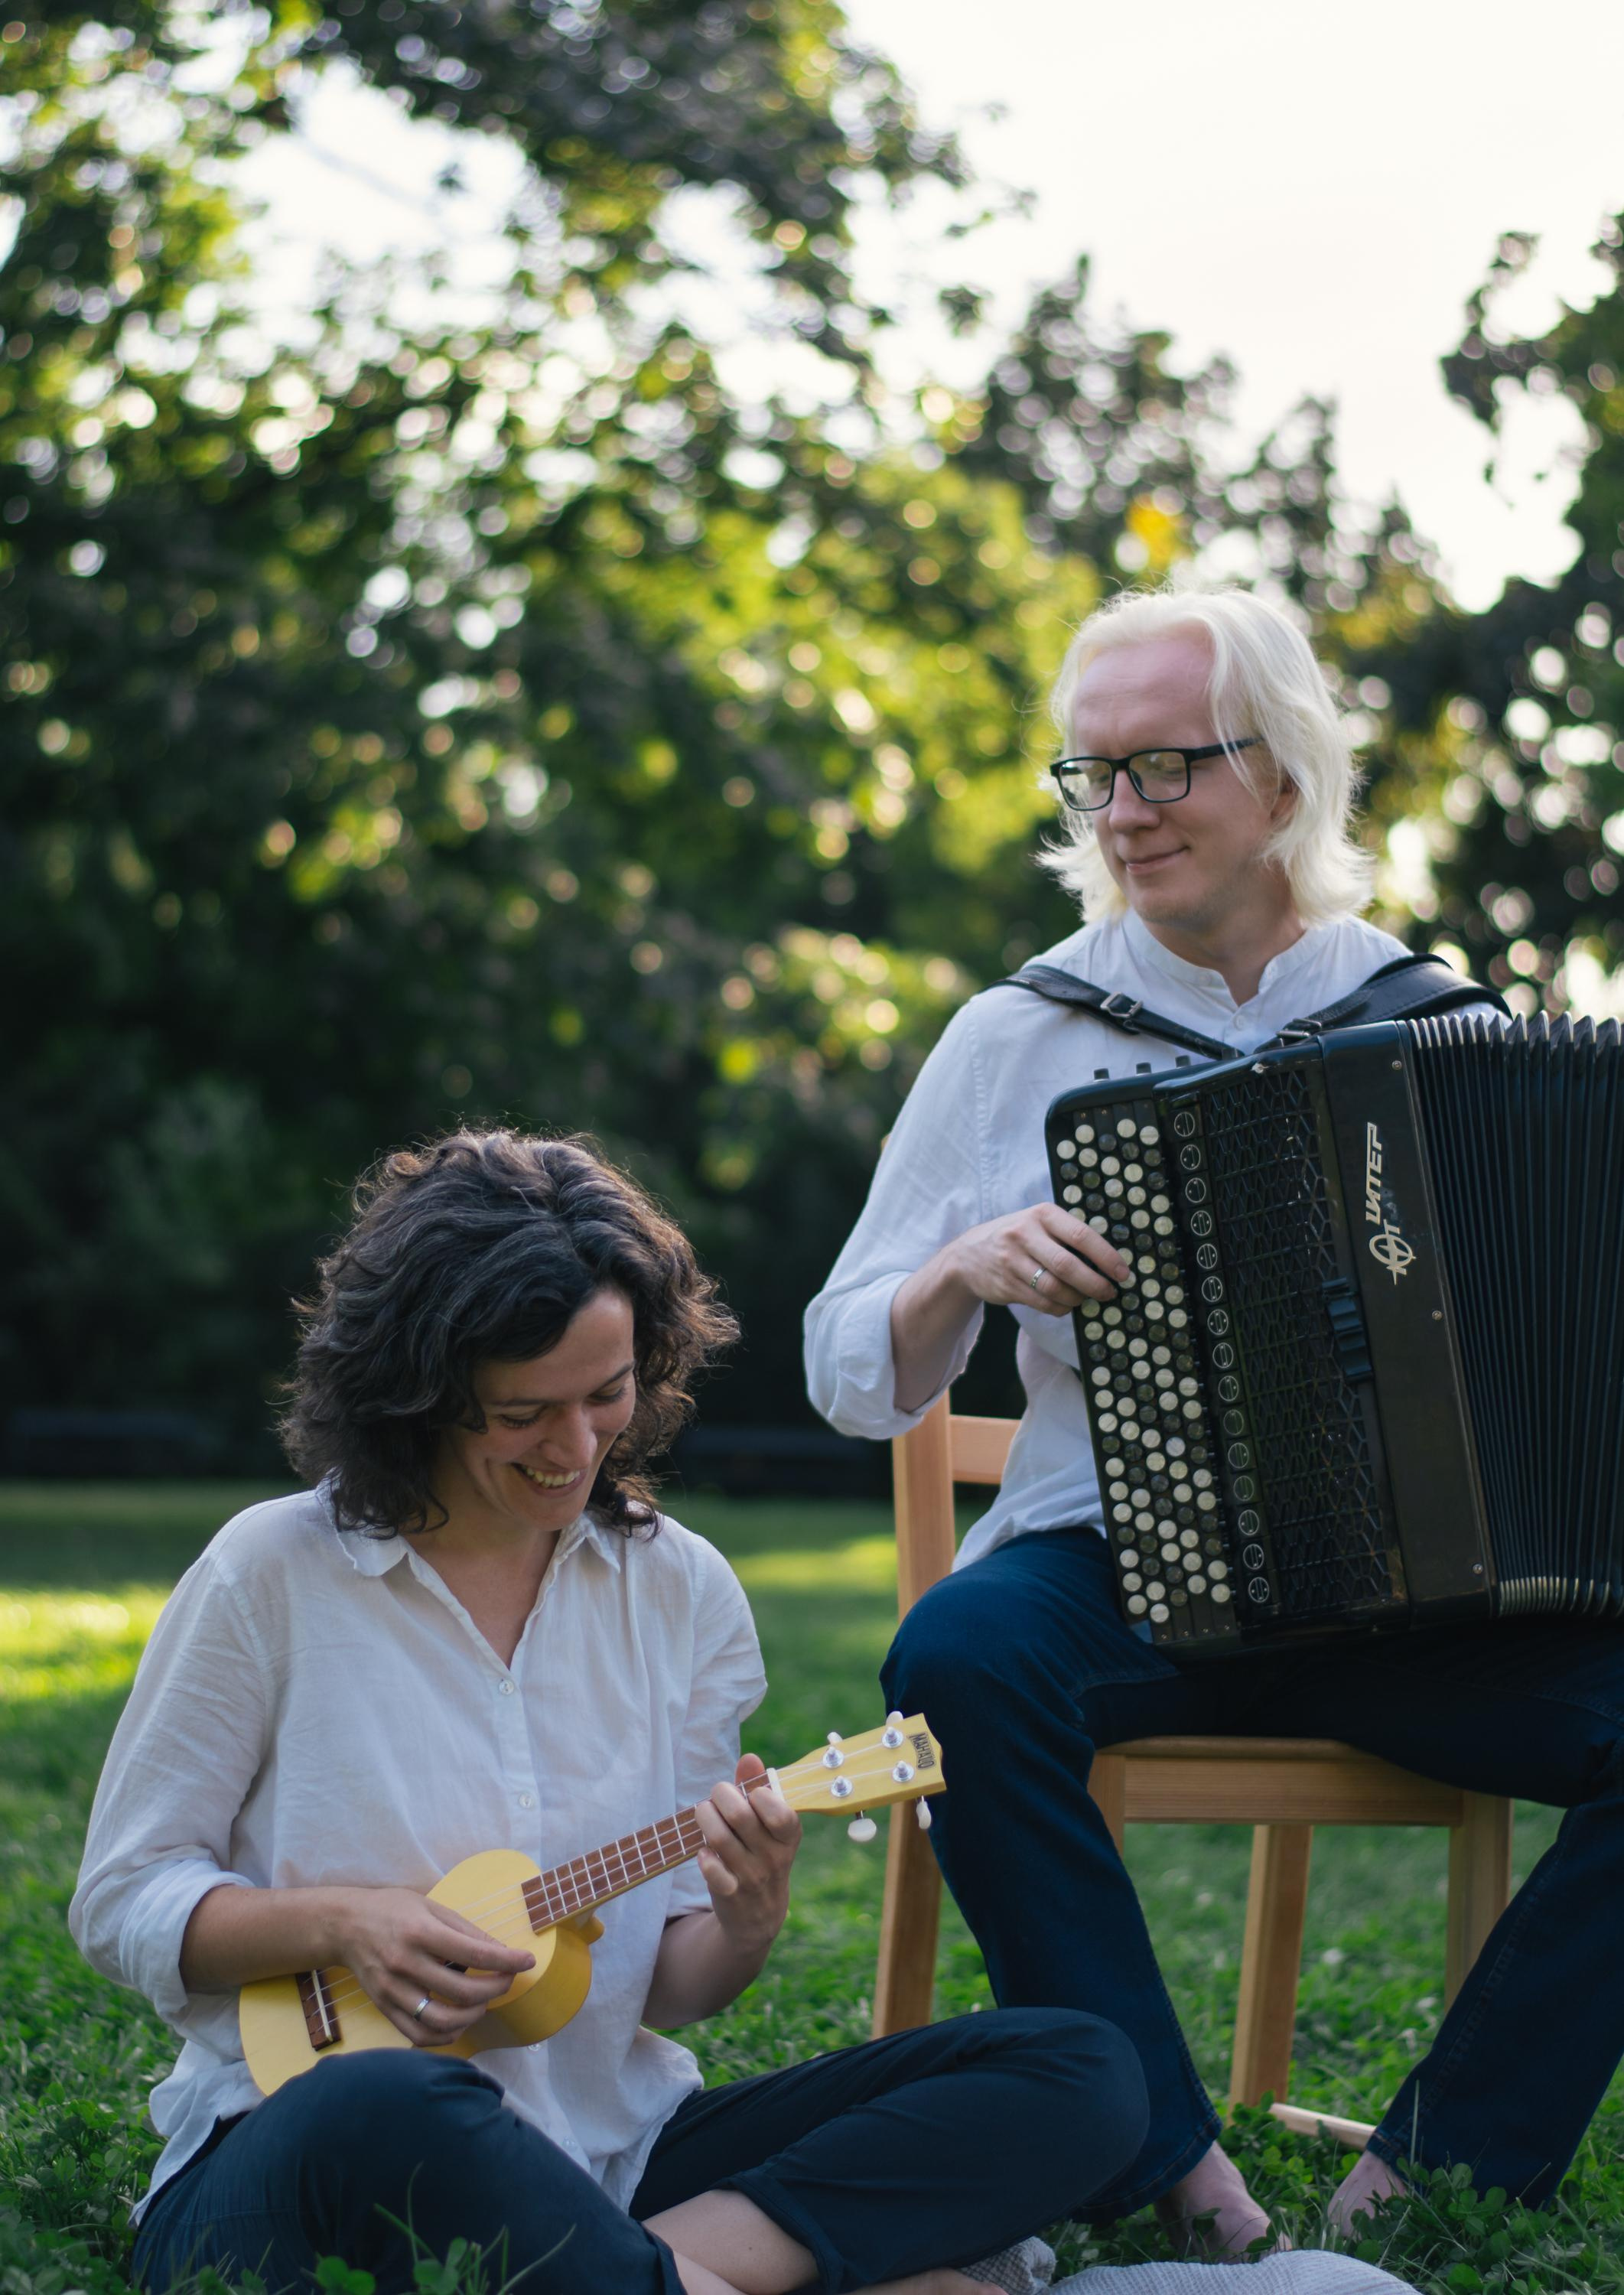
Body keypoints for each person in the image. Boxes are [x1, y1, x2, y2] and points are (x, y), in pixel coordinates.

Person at [805, 584, 1624, 2253]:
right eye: (1091, 776)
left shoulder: (1440, 1024)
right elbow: (841, 1367)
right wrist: (962, 1266)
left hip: (1406, 1598)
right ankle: (1175, 2180)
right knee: (958, 1662)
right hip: (1117, 1571)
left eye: (1165, 767)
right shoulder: (1018, 1032)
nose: (1121, 814)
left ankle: (1433, 2177)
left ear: (1285, 774)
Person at [73, 1129, 1149, 2294]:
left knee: (1083, 2070)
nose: (577, 1447)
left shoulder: (681, 1592)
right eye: (524, 1412)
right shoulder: (271, 1574)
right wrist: (342, 1924)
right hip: (311, 2153)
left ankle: (645, 2276)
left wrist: (742, 1922)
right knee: (385, 2102)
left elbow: (671, 1982)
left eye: (608, 1394)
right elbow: (124, 1899)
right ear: (419, 1390)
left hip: (619, 2162)